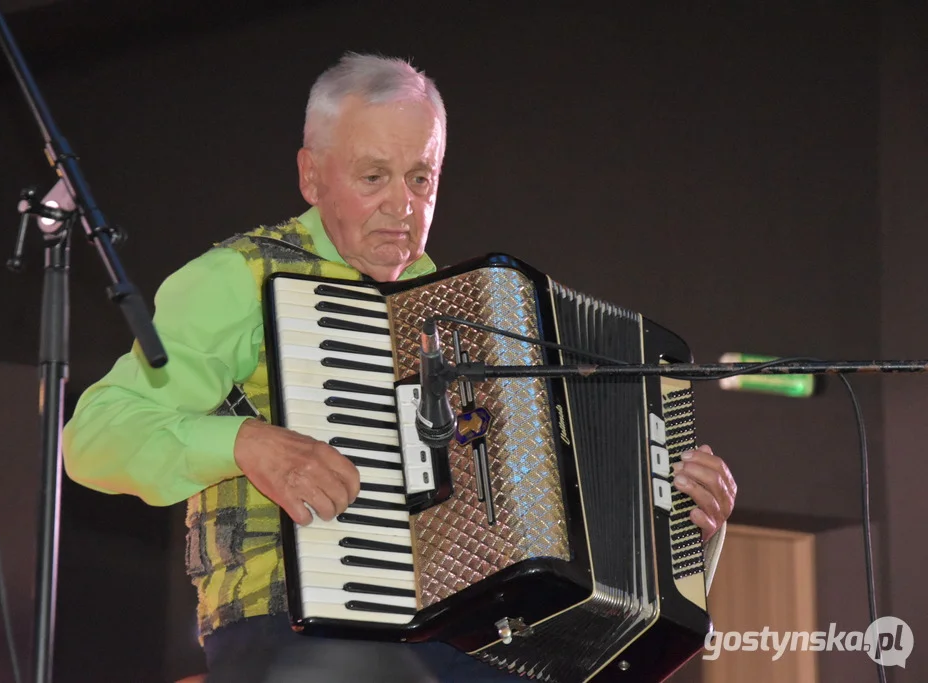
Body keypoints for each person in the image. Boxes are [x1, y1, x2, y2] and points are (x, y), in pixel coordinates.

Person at [62, 53, 737, 682]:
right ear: (310, 175)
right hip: (284, 626)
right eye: (373, 176)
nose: (403, 205)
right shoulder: (236, 279)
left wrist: (685, 532)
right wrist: (246, 442)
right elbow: (93, 436)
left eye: (421, 178)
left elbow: (556, 524)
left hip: (448, 633)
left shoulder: (470, 317)